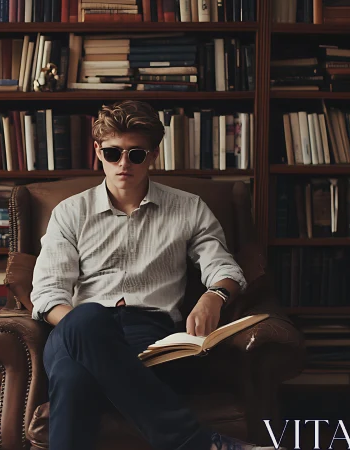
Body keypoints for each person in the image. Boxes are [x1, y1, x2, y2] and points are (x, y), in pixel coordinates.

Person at [30, 100, 271, 450]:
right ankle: (198, 443)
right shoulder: (70, 213)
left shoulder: (188, 208)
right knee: (89, 320)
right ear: (98, 152)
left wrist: (213, 296)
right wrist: (85, 329)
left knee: (73, 376)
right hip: (74, 330)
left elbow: (224, 268)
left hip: (149, 335)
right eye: (113, 153)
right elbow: (49, 293)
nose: (123, 164)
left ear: (153, 155)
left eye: (136, 155)